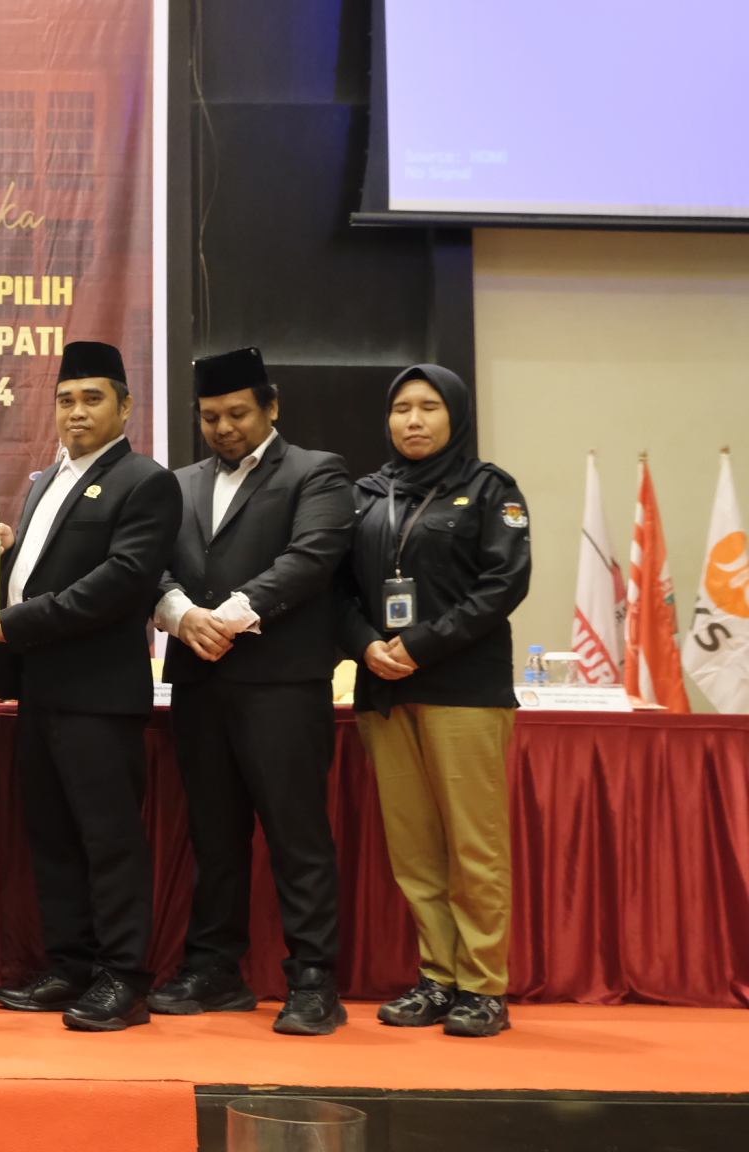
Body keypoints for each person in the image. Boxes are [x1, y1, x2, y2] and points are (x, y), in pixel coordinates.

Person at [149, 347, 355, 1035]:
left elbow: (311, 558)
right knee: (215, 837)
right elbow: (150, 565)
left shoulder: (316, 471)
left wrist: (225, 618)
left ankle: (315, 980)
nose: (224, 428)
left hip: (282, 685)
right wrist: (180, 616)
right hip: (200, 683)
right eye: (210, 417)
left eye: (237, 413)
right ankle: (215, 970)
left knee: (298, 836)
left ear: (271, 407)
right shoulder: (178, 484)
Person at [0, 340, 181, 1032]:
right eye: (65, 399)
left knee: (109, 840)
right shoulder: (47, 480)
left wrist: (22, 620)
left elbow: (123, 581)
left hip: (99, 695)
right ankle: (69, 965)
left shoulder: (146, 482)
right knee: (55, 837)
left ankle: (124, 977)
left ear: (125, 407)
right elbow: (41, 568)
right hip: (40, 689)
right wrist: (0, 555)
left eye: (92, 398)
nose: (76, 411)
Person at [335, 364, 529, 1039]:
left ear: (456, 415)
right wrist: (365, 645)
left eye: (428, 407)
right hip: (384, 688)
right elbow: (335, 591)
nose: (413, 420)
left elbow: (503, 584)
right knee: (413, 848)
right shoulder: (365, 496)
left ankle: (483, 986)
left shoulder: (490, 489)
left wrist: (419, 644)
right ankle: (438, 978)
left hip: (463, 688)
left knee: (473, 844)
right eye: (401, 409)